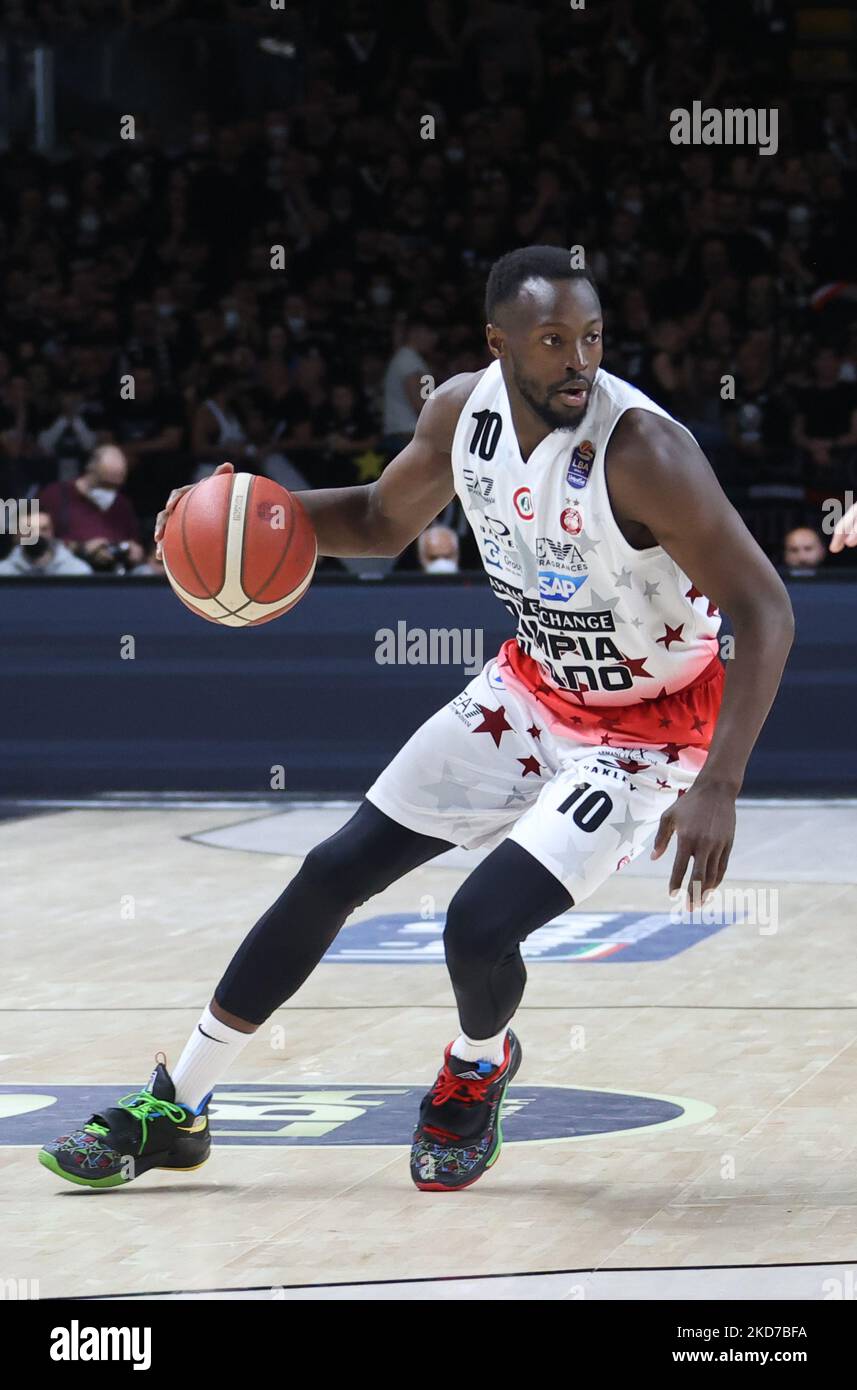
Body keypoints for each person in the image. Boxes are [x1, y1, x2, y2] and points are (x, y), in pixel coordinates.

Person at [40, 246, 794, 1194]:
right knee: (331, 870)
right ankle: (179, 1105)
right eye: (553, 340)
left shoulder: (645, 453)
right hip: (527, 690)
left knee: (478, 927)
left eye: (591, 338)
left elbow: (765, 609)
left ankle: (475, 1069)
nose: (577, 360)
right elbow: (376, 519)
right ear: (497, 344)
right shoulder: (459, 412)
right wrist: (233, 518)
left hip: (646, 732)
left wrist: (719, 783)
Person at [38, 444, 145, 571]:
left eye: (115, 486)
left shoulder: (122, 504)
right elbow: (32, 541)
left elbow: (135, 543)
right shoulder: (55, 495)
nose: (109, 491)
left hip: (115, 572)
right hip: (67, 569)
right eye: (105, 484)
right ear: (90, 469)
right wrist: (81, 548)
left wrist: (134, 551)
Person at [0, 507, 90, 576]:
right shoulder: (3, 573)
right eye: (28, 530)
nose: (37, 535)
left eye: (44, 529)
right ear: (16, 534)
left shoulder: (77, 572)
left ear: (52, 532)